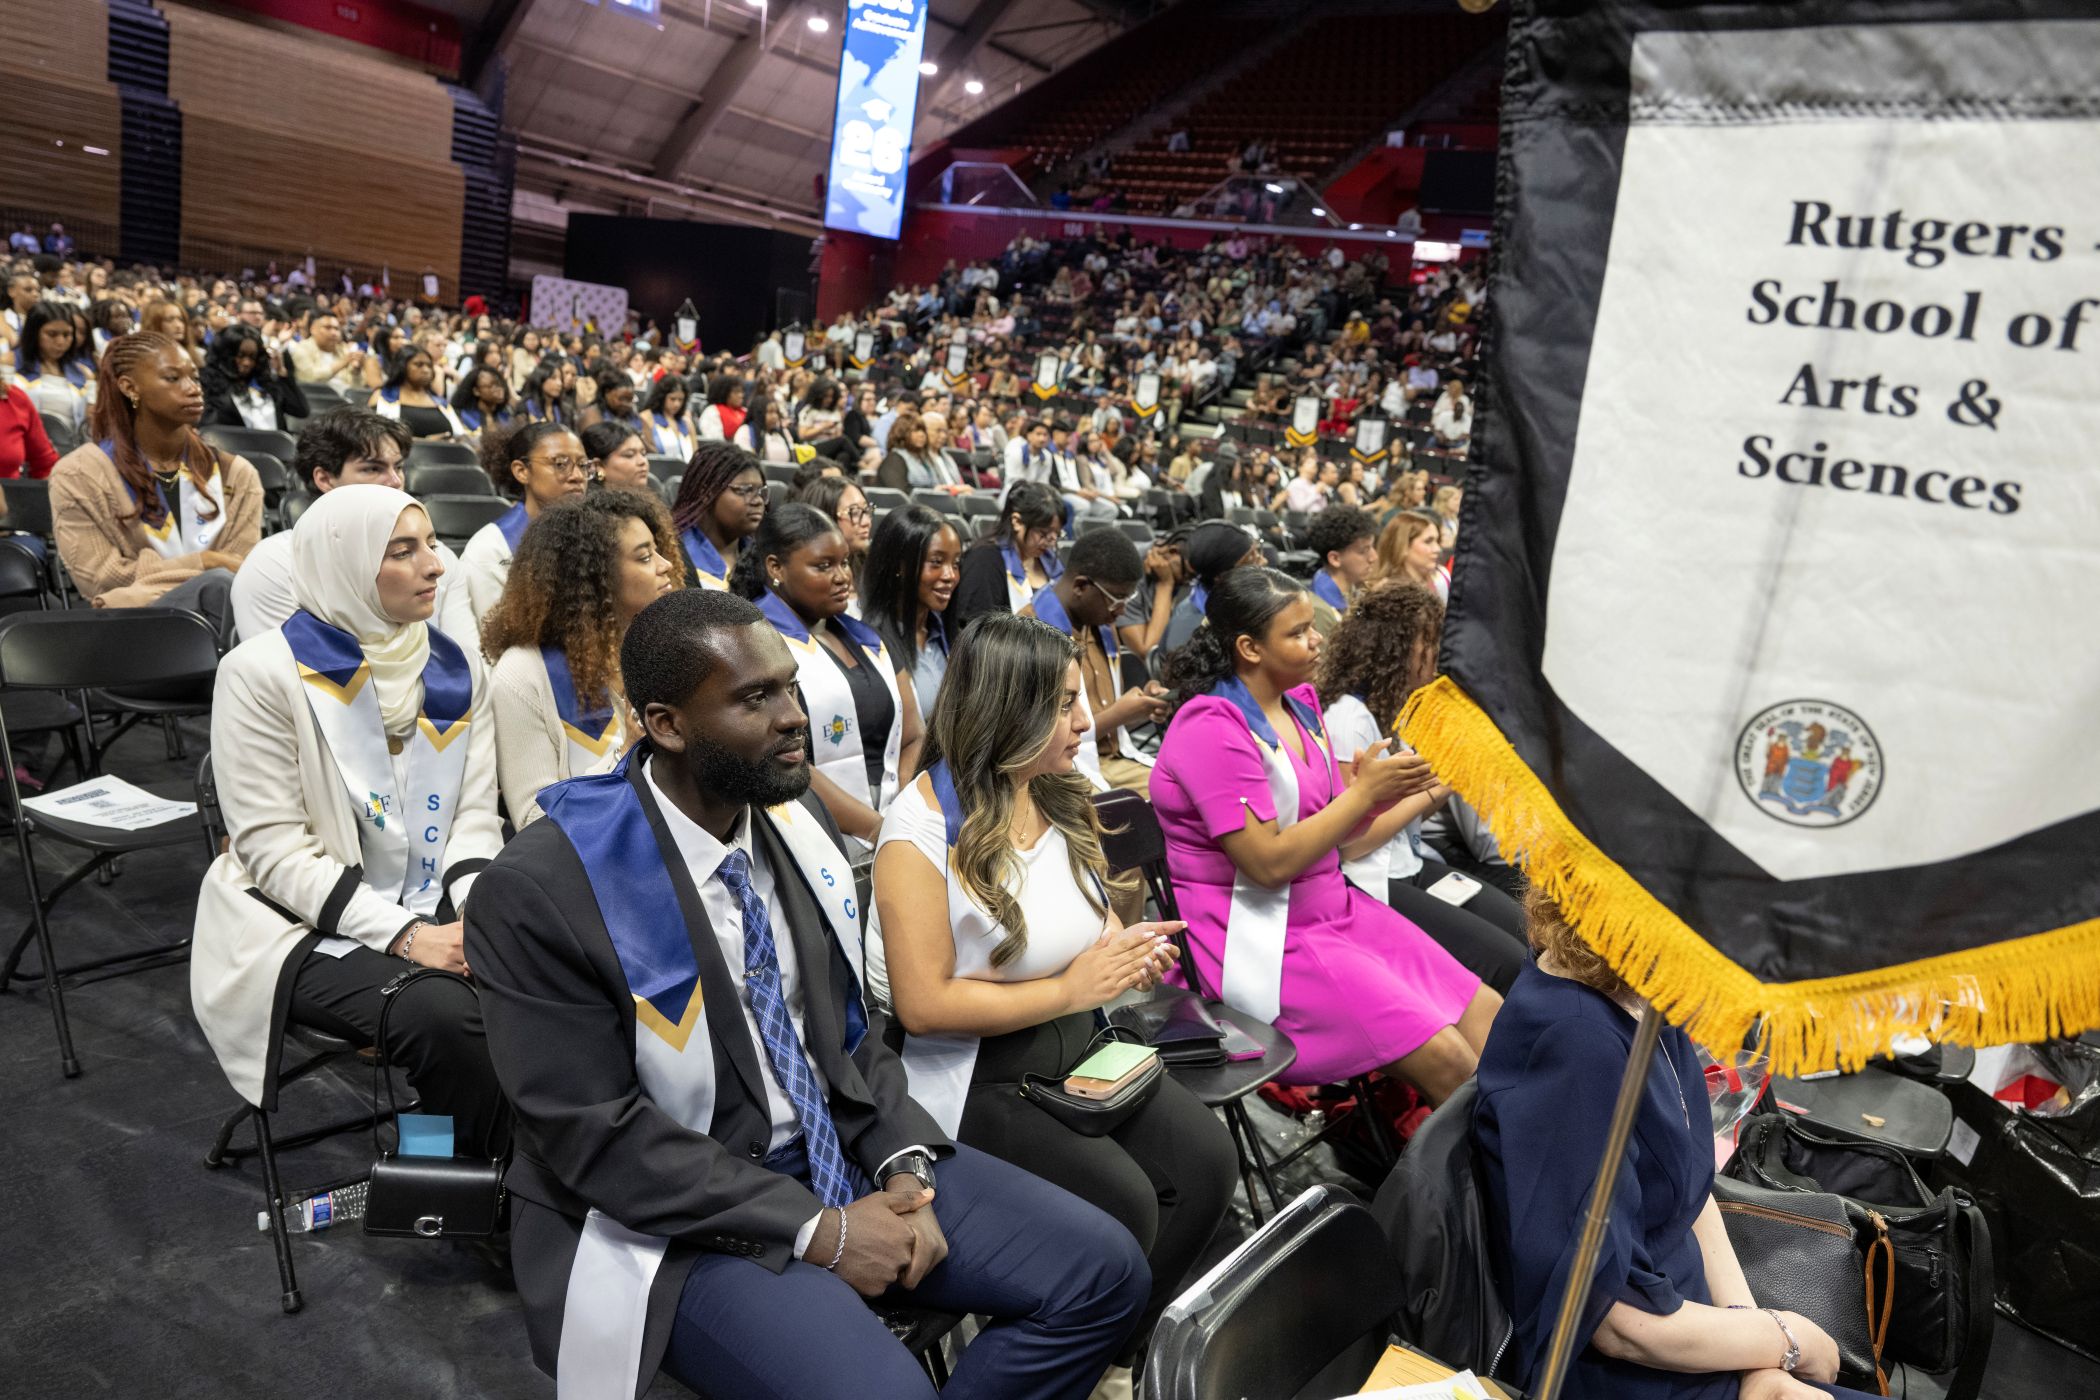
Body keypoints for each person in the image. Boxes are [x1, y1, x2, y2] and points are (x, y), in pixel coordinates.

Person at [462, 587, 1149, 1400]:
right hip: (673, 1218)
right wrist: (820, 1231)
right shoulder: (544, 888)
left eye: (790, 686)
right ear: (667, 724)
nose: (794, 716)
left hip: (845, 1149)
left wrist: (904, 1167)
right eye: (756, 697)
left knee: (1105, 1272)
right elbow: (596, 1139)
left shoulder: (794, 822)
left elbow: (852, 1036)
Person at [872, 611, 1237, 1386]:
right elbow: (924, 1006)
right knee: (1128, 1205)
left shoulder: (1056, 790)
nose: (1085, 720)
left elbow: (1087, 912)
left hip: (1079, 1039)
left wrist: (1121, 947)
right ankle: (1061, 1357)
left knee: (1206, 1165)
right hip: (978, 1070)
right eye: (1065, 704)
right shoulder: (919, 828)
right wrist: (1072, 985)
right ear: (1009, 712)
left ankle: (1110, 1353)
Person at [190, 478, 507, 1142]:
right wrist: (410, 936)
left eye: (430, 543)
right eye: (401, 550)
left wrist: (480, 909)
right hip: (295, 918)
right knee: (444, 1021)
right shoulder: (261, 674)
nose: (435, 565)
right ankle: (443, 1174)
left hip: (434, 897)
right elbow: (275, 853)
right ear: (346, 566)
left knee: (546, 974)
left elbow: (474, 816)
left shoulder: (456, 668)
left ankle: (517, 1173)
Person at [1476, 889, 1872, 1400]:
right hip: (1624, 1372)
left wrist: (1759, 1349)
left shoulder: (1640, 988)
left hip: (1692, 1324)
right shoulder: (1579, 1048)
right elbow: (1619, 1325)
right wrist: (1786, 1338)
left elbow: (1691, 1193)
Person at [1150, 567, 1498, 1102]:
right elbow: (1266, 865)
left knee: (1492, 1017)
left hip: (1333, 912)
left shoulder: (1301, 703)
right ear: (1249, 647)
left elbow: (1346, 844)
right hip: (1262, 941)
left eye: (1312, 626)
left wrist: (1403, 788)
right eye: (1298, 632)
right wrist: (1362, 796)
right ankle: (1471, 1182)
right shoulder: (1210, 727)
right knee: (1450, 1059)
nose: (1318, 641)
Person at [1315, 582, 1527, 993]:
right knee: (1510, 962)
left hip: (1411, 862)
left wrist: (1449, 780)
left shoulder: (1391, 707)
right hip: (1375, 879)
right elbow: (1353, 842)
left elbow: (1407, 813)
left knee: (1529, 932)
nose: (1439, 651)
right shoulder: (1349, 718)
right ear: (1397, 648)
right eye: (1429, 640)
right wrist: (1439, 785)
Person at [481, 492, 679, 824]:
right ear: (595, 578)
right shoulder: (524, 673)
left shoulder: (665, 647)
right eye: (645, 557)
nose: (666, 565)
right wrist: (624, 754)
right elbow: (533, 820)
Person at [732, 503, 922, 849]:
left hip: (894, 821)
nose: (842, 577)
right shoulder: (753, 646)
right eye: (823, 566)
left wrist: (904, 810)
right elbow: (785, 759)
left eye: (844, 562)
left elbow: (913, 736)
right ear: (776, 567)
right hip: (806, 830)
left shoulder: (869, 638)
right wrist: (880, 829)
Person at [51, 331, 260, 625]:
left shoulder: (238, 475)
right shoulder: (78, 474)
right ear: (129, 387)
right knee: (220, 587)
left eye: (194, 377)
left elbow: (244, 573)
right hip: (132, 631)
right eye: (172, 378)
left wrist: (189, 579)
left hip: (226, 628)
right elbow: (100, 580)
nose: (193, 389)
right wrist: (205, 563)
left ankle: (319, 672)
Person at [230, 408, 475, 643]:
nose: (395, 480)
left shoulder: (436, 557)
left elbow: (465, 664)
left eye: (398, 467)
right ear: (325, 479)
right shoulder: (276, 563)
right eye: (372, 468)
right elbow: (289, 676)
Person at [1020, 529, 1165, 797]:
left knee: (1183, 792)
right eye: (1116, 599)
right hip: (1057, 770)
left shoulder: (1101, 624)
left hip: (1114, 758)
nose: (1121, 611)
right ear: (1081, 586)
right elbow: (1034, 737)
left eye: (1127, 600)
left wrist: (1142, 701)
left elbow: (1109, 701)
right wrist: (1120, 714)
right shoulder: (1030, 634)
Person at [459, 421, 589, 625]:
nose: (577, 476)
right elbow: (495, 641)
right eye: (560, 464)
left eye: (583, 465)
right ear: (522, 471)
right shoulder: (490, 549)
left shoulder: (599, 533)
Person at [862, 504, 961, 724]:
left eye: (955, 564)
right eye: (936, 562)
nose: (950, 575)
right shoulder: (871, 645)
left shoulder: (950, 638)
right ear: (900, 565)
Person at [945, 480, 1062, 637]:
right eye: (1043, 533)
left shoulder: (1050, 561)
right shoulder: (984, 561)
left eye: (1057, 535)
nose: (1050, 541)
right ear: (1017, 521)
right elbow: (977, 633)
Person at [670, 440, 769, 590]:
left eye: (760, 492)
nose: (758, 501)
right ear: (707, 493)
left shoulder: (762, 555)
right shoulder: (674, 554)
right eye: (745, 490)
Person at [1159, 520, 1262, 655]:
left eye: (1258, 553)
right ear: (1221, 576)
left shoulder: (1239, 601)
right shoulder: (1190, 626)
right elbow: (1186, 673)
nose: (1262, 562)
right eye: (1250, 560)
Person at [200, 325, 310, 431]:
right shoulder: (209, 385)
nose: (247, 363)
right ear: (225, 354)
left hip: (274, 447)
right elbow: (209, 429)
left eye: (252, 357)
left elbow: (301, 410)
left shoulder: (265, 383)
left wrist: (281, 373)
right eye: (240, 355)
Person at [11, 301, 94, 440]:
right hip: (21, 449)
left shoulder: (85, 374)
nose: (61, 342)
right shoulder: (9, 363)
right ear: (34, 332)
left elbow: (90, 424)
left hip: (69, 452)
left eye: (67, 334)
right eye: (52, 334)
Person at [793, 473, 873, 613]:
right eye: (854, 512)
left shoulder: (872, 568)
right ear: (825, 515)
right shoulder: (807, 579)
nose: (867, 522)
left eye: (866, 510)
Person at [1305, 504, 1378, 633]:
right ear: (1335, 559)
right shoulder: (1321, 611)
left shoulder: (1355, 588)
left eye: (1372, 547)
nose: (1373, 557)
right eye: (1363, 551)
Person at [373, 344, 465, 440]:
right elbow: (375, 437)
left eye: (429, 366)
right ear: (402, 366)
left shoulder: (441, 403)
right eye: (418, 365)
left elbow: (460, 435)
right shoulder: (382, 397)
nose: (426, 370)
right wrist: (425, 443)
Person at [1373, 508, 1450, 602]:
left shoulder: (1437, 578)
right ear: (1403, 546)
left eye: (1437, 541)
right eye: (1428, 541)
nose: (1437, 549)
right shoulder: (1386, 593)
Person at [287, 311, 365, 390]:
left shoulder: (344, 351)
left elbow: (357, 389)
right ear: (313, 329)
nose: (334, 333)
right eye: (328, 327)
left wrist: (356, 372)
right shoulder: (301, 348)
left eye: (337, 329)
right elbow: (309, 378)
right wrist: (342, 363)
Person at [582, 419, 652, 495]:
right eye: (629, 455)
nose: (642, 462)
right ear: (598, 466)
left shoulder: (655, 490)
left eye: (643, 454)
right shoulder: (585, 505)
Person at [452, 365, 516, 443]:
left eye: (500, 385)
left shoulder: (506, 416)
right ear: (476, 391)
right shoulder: (464, 417)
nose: (499, 389)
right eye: (492, 386)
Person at [643, 374, 696, 460]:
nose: (677, 404)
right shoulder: (647, 417)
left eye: (680, 400)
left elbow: (695, 456)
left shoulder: (687, 422)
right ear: (662, 397)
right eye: (672, 399)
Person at [579, 369, 642, 434]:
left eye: (630, 399)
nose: (627, 404)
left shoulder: (632, 414)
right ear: (607, 392)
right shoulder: (592, 415)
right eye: (622, 399)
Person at [741, 395, 800, 464]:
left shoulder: (783, 432)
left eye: (776, 412)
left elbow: (793, 457)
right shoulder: (745, 431)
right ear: (759, 414)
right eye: (770, 412)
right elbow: (745, 461)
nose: (775, 416)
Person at [696, 372, 747, 442]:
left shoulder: (744, 411)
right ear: (724, 393)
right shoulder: (712, 412)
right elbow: (715, 442)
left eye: (741, 392)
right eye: (736, 392)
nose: (741, 395)